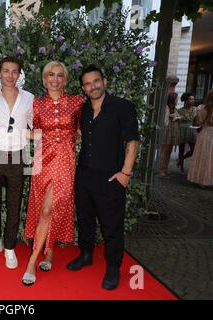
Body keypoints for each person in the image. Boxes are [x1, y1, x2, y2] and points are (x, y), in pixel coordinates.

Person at [66, 64, 140, 291]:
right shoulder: (83, 110)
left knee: (112, 226)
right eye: (87, 84)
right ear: (83, 88)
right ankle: (86, 254)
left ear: (104, 81)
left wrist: (125, 173)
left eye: (96, 81)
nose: (93, 86)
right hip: (85, 175)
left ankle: (113, 267)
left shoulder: (122, 107)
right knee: (85, 219)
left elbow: (133, 141)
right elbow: (80, 135)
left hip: (111, 178)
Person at [21, 61, 83, 286]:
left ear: (65, 79)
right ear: (44, 79)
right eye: (50, 75)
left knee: (50, 208)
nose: (55, 79)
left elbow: (82, 129)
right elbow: (34, 132)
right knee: (44, 208)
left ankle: (32, 262)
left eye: (59, 75)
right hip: (43, 158)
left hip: (65, 160)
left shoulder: (77, 102)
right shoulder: (36, 104)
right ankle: (48, 251)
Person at [0, 56, 34, 269]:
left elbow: (34, 127)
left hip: (19, 155)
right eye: (6, 71)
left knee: (14, 203)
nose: (10, 75)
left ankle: (10, 247)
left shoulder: (29, 98)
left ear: (19, 74)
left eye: (14, 71)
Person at [187, 89, 213, 186]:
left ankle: (201, 179)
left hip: (205, 133)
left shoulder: (201, 108)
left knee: (204, 157)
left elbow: (198, 123)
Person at [159, 92, 181, 177]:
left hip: (173, 130)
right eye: (176, 98)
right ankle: (161, 170)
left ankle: (165, 169)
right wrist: (172, 117)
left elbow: (178, 116)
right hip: (167, 130)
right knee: (164, 151)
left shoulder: (174, 108)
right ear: (172, 99)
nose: (177, 100)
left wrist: (176, 117)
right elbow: (164, 120)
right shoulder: (166, 107)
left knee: (169, 151)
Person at [177, 92, 197, 172]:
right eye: (190, 99)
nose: (192, 101)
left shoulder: (196, 109)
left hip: (192, 131)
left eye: (193, 99)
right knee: (181, 149)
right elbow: (177, 121)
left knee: (194, 150)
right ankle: (181, 166)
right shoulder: (180, 110)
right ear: (186, 100)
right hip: (182, 131)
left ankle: (182, 159)